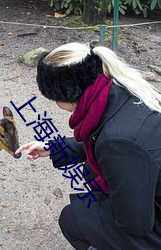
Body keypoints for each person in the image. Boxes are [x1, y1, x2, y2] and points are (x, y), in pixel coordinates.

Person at [15, 42, 161, 250]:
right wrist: (53, 148)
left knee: (73, 219)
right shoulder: (120, 88)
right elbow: (102, 138)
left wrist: (106, 209)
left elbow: (136, 224)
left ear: (66, 93)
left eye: (54, 97)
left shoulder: (118, 142)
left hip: (152, 221)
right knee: (91, 173)